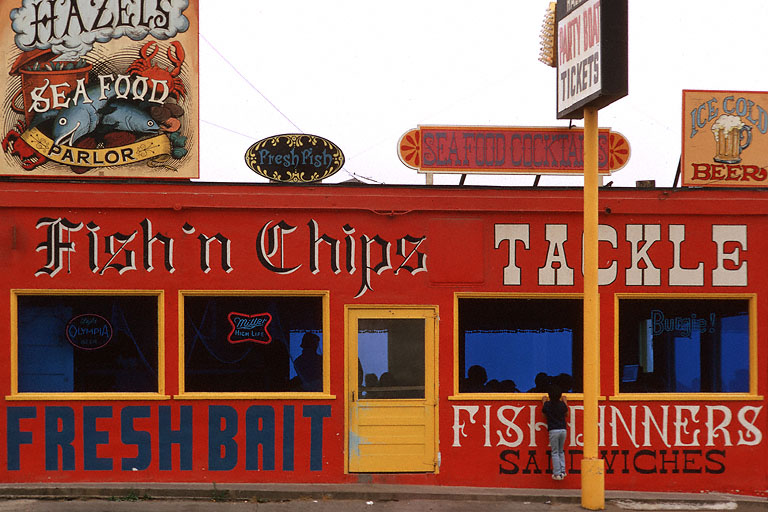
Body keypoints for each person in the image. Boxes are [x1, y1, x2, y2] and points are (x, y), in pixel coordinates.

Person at [541, 384, 568, 480]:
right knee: (561, 451)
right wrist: (565, 401)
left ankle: (557, 473)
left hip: (553, 430)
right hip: (563, 430)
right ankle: (563, 471)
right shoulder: (561, 405)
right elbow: (566, 413)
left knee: (555, 452)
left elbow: (544, 414)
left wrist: (543, 401)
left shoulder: (548, 405)